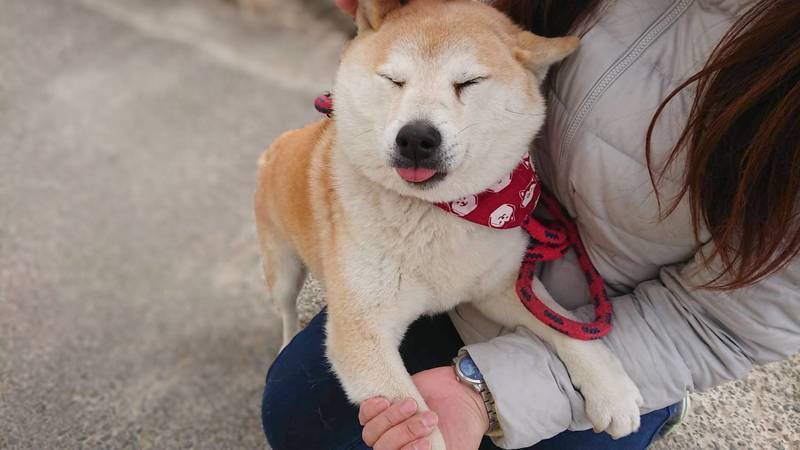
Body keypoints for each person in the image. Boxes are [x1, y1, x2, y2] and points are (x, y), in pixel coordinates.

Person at [262, 0, 800, 449]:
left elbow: (723, 325)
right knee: (297, 410)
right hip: (506, 239)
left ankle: (659, 404)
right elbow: (361, 334)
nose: (418, 126)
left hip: (627, 317)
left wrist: (494, 391)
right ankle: (286, 322)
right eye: (395, 81)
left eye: (468, 83)